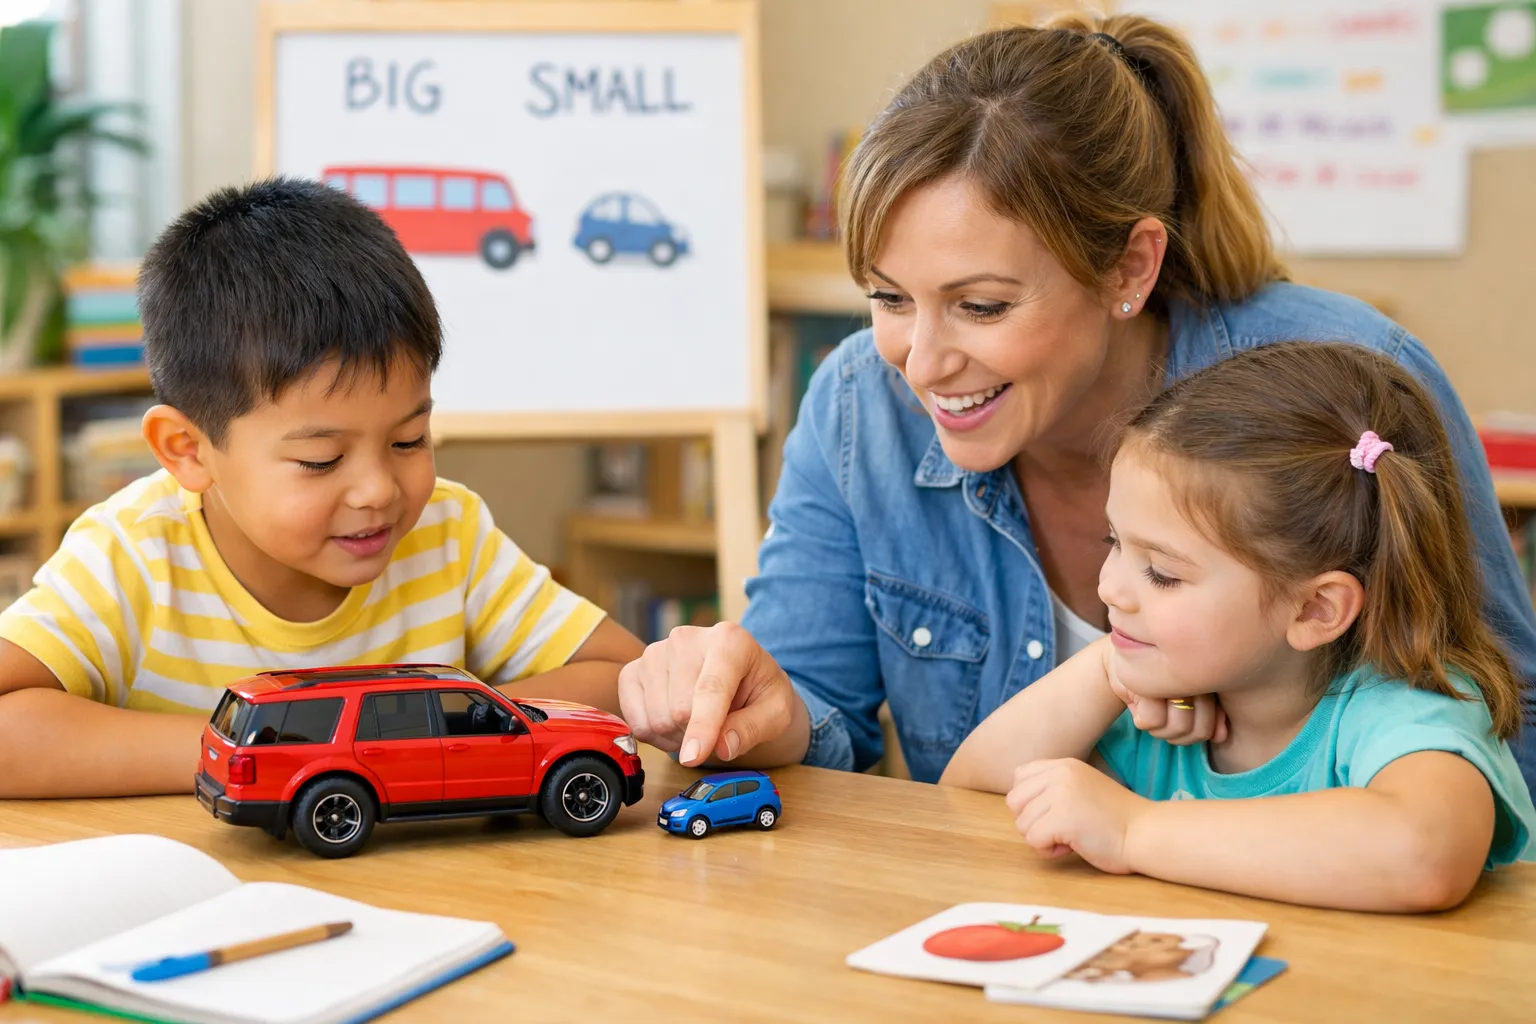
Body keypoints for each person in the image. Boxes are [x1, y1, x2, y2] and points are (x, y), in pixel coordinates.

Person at [616, 13, 1536, 790]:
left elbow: (1508, 715)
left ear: (1129, 267)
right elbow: (823, 722)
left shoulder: (1351, 379)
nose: (920, 362)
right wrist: (759, 712)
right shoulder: (860, 400)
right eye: (889, 297)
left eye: (981, 306)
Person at [0, 178, 641, 798]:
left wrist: (422, 741)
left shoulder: (447, 535)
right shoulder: (133, 556)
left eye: (409, 440)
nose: (378, 491)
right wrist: (248, 753)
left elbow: (625, 676)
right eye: (320, 459)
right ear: (189, 450)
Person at [941, 343, 1535, 912]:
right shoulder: (1162, 696)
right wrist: (1104, 670)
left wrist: (1134, 829)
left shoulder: (1402, 707)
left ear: (1314, 610)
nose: (1109, 588)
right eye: (1113, 542)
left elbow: (1423, 854)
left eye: (1163, 574)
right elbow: (966, 800)